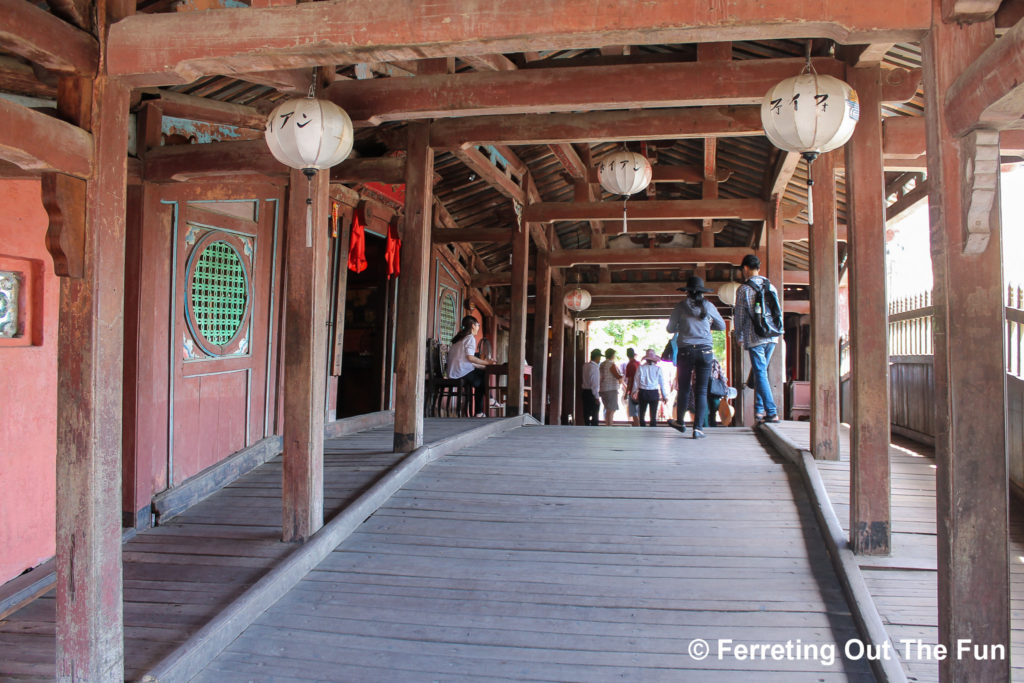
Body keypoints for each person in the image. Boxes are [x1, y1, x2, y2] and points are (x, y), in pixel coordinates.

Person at [666, 276, 726, 439]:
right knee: (701, 391)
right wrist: (706, 325)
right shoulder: (709, 306)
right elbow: (722, 326)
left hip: (685, 351)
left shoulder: (680, 307)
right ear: (702, 292)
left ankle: (680, 422)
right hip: (705, 352)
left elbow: (670, 329)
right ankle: (698, 428)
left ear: (687, 291)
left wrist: (682, 326)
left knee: (684, 388)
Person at [733, 254, 781, 424]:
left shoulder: (744, 289)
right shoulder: (771, 286)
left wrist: (738, 336)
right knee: (760, 372)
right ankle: (759, 410)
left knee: (760, 373)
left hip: (756, 337)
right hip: (772, 336)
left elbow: (739, 317)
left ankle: (772, 411)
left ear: (745, 268)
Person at [446, 315, 496, 417]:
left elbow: (465, 360)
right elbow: (470, 358)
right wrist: (487, 363)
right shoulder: (470, 338)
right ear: (473, 326)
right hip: (459, 372)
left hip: (453, 371)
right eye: (478, 325)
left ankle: (482, 409)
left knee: (481, 378)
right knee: (482, 379)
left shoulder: (459, 339)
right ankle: (486, 403)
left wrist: (481, 366)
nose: (478, 327)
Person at [632, 349, 669, 427]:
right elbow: (662, 384)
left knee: (641, 415)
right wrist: (664, 396)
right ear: (655, 360)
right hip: (654, 393)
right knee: (653, 416)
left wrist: (634, 392)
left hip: (643, 392)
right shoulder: (658, 369)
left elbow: (636, 381)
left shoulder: (641, 368)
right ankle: (653, 430)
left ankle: (642, 429)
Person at [599, 348, 623, 426]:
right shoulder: (611, 364)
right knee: (611, 409)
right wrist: (622, 377)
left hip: (603, 388)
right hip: (611, 389)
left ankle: (608, 424)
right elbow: (617, 376)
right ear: (612, 355)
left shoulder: (602, 364)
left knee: (607, 408)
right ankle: (609, 425)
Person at [581, 348, 602, 426]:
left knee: (586, 414)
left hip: (585, 391)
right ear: (596, 357)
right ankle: (593, 430)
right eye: (599, 357)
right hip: (591, 393)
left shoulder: (585, 365)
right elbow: (595, 384)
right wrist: (596, 397)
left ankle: (586, 428)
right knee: (594, 415)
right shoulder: (595, 368)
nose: (600, 359)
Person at [623, 348, 641, 426]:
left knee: (634, 413)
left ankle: (637, 428)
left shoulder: (630, 365)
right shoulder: (638, 363)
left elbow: (630, 381)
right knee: (639, 412)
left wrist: (626, 393)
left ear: (627, 355)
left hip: (633, 391)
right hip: (640, 390)